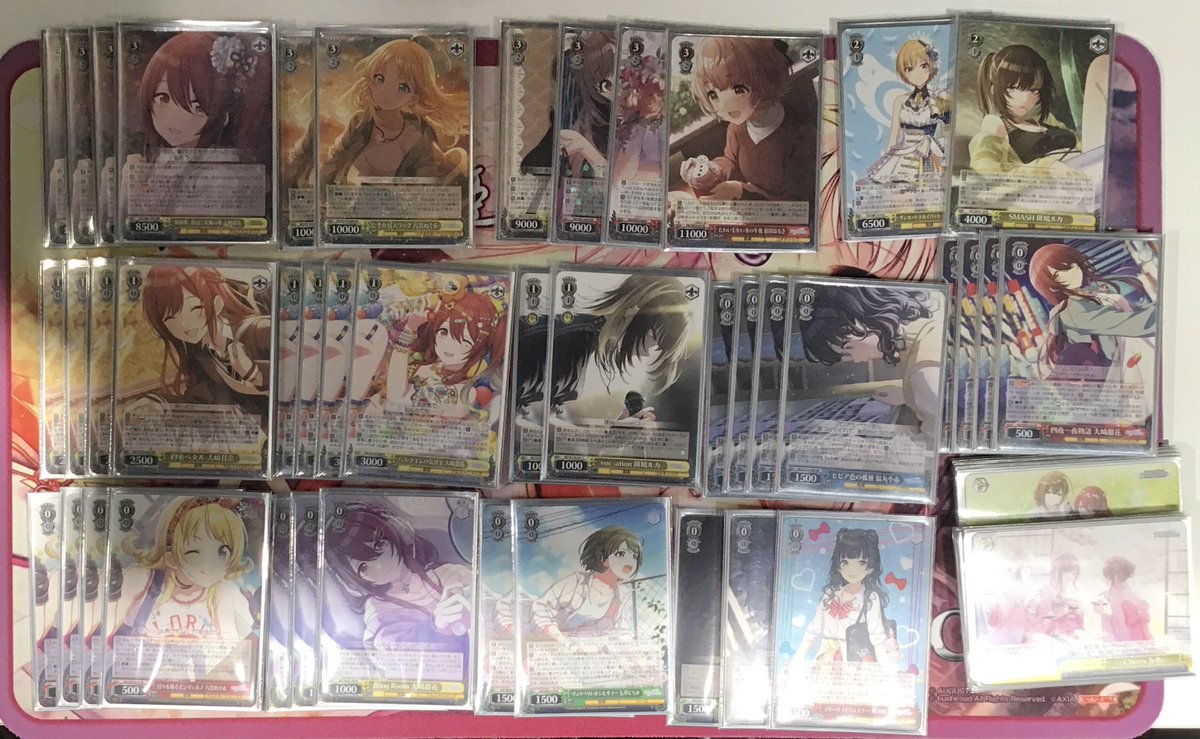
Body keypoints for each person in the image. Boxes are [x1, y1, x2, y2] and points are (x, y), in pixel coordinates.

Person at [107, 497, 256, 669]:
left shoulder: (223, 594)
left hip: (200, 681)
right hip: (135, 674)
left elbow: (234, 651)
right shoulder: (143, 581)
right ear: (171, 553)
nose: (208, 564)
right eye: (194, 551)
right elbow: (104, 636)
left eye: (223, 552)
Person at [679, 36, 817, 203]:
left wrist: (742, 191)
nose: (723, 104)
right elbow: (730, 161)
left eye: (738, 89)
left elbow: (798, 204)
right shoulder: (737, 129)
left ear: (765, 79)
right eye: (713, 94)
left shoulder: (801, 137)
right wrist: (712, 170)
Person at [319, 38, 469, 186]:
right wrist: (325, 189)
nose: (386, 91)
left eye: (402, 87)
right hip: (357, 197)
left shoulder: (415, 137)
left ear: (413, 98)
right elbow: (335, 158)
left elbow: (425, 181)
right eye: (380, 78)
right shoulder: (359, 122)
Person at [323, 502, 472, 648]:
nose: (380, 565)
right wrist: (437, 626)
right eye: (363, 567)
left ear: (397, 534)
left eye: (379, 544)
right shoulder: (378, 612)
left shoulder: (448, 574)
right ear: (353, 581)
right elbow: (396, 650)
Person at [795, 282, 940, 432]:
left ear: (861, 320)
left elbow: (933, 440)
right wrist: (907, 395)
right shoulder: (922, 331)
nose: (857, 360)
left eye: (849, 348)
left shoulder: (924, 371)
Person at [140, 265, 272, 420]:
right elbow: (202, 401)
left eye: (194, 309)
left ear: (217, 304)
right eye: (170, 318)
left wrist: (254, 374)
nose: (185, 325)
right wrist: (159, 405)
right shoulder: (200, 352)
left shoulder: (261, 331)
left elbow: (291, 380)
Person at [1028, 243, 1156, 385]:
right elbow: (1130, 323)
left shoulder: (1089, 295)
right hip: (1127, 369)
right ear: (1051, 286)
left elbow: (1135, 313)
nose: (1071, 272)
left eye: (1069, 264)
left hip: (1136, 354)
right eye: (1058, 274)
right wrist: (1166, 315)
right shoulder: (1072, 311)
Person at [795, 528, 901, 663]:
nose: (852, 570)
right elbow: (813, 629)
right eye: (845, 563)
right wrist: (797, 658)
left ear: (870, 568)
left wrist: (885, 668)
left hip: (852, 656)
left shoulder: (870, 597)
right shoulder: (831, 594)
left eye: (861, 563)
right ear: (838, 566)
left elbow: (877, 636)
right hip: (826, 656)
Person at [531, 527, 643, 640]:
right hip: (554, 642)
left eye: (634, 557)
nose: (630, 562)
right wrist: (563, 641)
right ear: (603, 558)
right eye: (621, 554)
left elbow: (622, 631)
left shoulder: (622, 596)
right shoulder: (577, 582)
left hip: (588, 647)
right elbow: (541, 607)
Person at [863, 38, 950, 185]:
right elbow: (893, 137)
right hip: (902, 154)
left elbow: (948, 132)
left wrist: (943, 154)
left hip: (928, 153)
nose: (917, 74)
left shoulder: (938, 98)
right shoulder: (900, 101)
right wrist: (887, 161)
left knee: (927, 189)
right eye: (909, 69)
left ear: (932, 66)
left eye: (923, 66)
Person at [1093, 556, 1152, 642]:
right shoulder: (1130, 592)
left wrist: (1103, 614)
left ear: (1112, 576)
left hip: (1129, 641)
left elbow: (1120, 629)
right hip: (1142, 639)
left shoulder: (1117, 597)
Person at [1033, 552, 1084, 638]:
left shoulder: (1075, 593)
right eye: (1065, 572)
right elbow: (1042, 622)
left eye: (1074, 573)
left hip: (1073, 635)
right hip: (1054, 636)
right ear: (1056, 572)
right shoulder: (1047, 591)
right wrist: (1061, 612)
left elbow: (1080, 625)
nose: (1070, 576)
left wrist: (1079, 612)